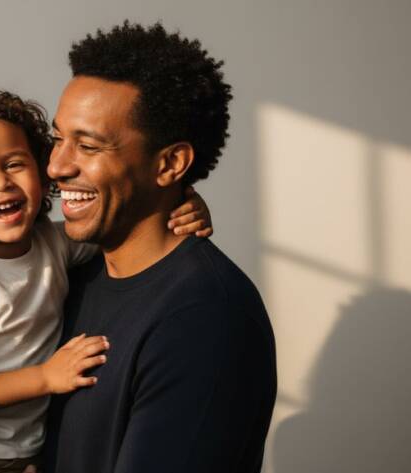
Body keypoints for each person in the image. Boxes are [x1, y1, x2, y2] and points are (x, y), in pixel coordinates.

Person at [0, 90, 214, 473]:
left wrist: (182, 205)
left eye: (14, 164)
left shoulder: (54, 242)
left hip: (47, 444)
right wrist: (43, 377)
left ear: (43, 172)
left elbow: (125, 228)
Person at [44, 22, 278, 473]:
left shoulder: (208, 317)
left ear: (170, 163)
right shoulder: (73, 275)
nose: (56, 165)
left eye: (88, 145)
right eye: (58, 138)